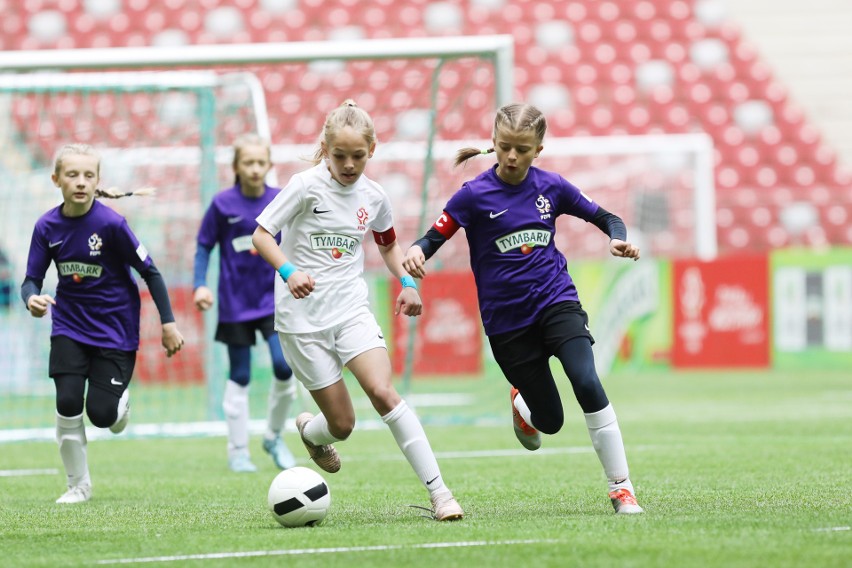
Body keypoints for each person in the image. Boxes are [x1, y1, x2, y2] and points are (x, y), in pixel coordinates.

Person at [402, 102, 645, 515]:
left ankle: (622, 489)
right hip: (508, 326)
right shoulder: (474, 195)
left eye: (522, 149)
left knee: (586, 381)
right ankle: (522, 403)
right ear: (494, 144)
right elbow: (432, 237)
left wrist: (615, 238)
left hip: (557, 301)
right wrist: (415, 253)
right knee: (549, 422)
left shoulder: (552, 188)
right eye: (505, 147)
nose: (512, 157)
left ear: (539, 150)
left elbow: (606, 216)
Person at [252, 100, 464, 521]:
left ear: (373, 150)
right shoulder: (305, 186)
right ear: (325, 149)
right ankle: (312, 433)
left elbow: (387, 245)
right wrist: (289, 271)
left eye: (358, 156)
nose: (349, 165)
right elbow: (261, 236)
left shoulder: (375, 196)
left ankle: (441, 495)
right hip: (301, 321)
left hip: (351, 309)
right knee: (343, 426)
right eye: (339, 156)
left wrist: (407, 283)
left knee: (384, 393)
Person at [21, 143, 185, 504]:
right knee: (66, 401)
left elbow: (151, 272)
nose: (80, 182)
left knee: (101, 415)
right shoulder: (47, 226)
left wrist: (169, 324)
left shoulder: (111, 224)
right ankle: (77, 485)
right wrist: (31, 299)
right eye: (72, 175)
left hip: (115, 329)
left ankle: (117, 401)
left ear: (98, 182)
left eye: (88, 175)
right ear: (56, 179)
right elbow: (31, 279)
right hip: (68, 325)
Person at [193, 133, 298, 473]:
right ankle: (238, 451)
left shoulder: (280, 199)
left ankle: (273, 436)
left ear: (269, 165)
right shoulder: (222, 205)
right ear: (236, 167)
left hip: (273, 300)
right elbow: (204, 246)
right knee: (240, 375)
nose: (255, 168)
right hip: (235, 304)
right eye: (248, 162)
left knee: (284, 367)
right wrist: (199, 286)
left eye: (260, 162)